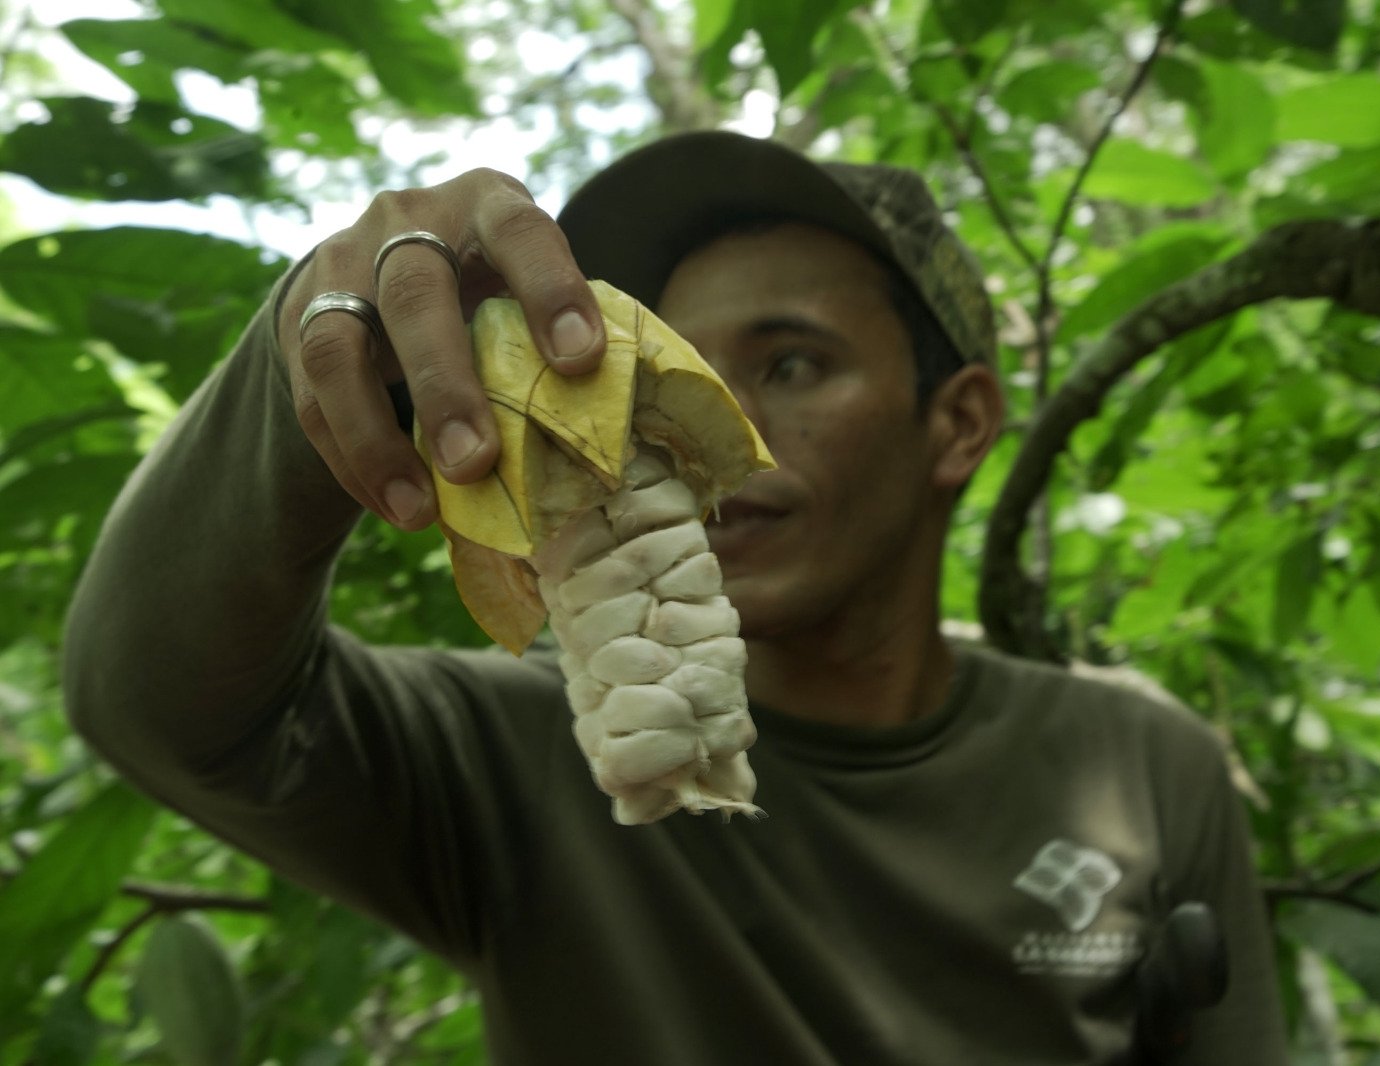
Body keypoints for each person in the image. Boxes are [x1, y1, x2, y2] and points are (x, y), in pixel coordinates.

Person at [63, 130, 1288, 1064]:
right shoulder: (517, 754)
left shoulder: (1141, 764)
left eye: (791, 362)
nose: (708, 427)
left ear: (958, 424)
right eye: (658, 372)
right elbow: (152, 703)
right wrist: (307, 364)